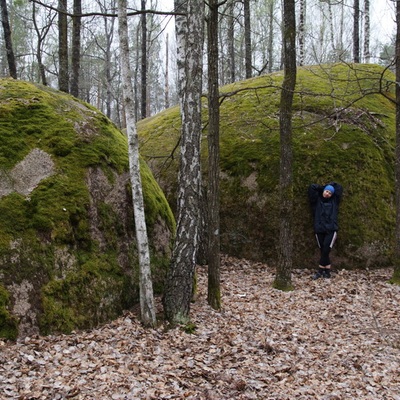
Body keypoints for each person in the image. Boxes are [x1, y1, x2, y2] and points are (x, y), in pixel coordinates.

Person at [308, 182, 343, 279]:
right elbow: (312, 187)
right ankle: (327, 271)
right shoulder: (316, 201)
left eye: (330, 193)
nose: (327, 194)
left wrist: (331, 186)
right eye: (327, 191)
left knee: (326, 250)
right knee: (323, 250)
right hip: (319, 229)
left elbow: (339, 187)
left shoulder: (334, 201)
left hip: (331, 230)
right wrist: (323, 187)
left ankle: (320, 271)